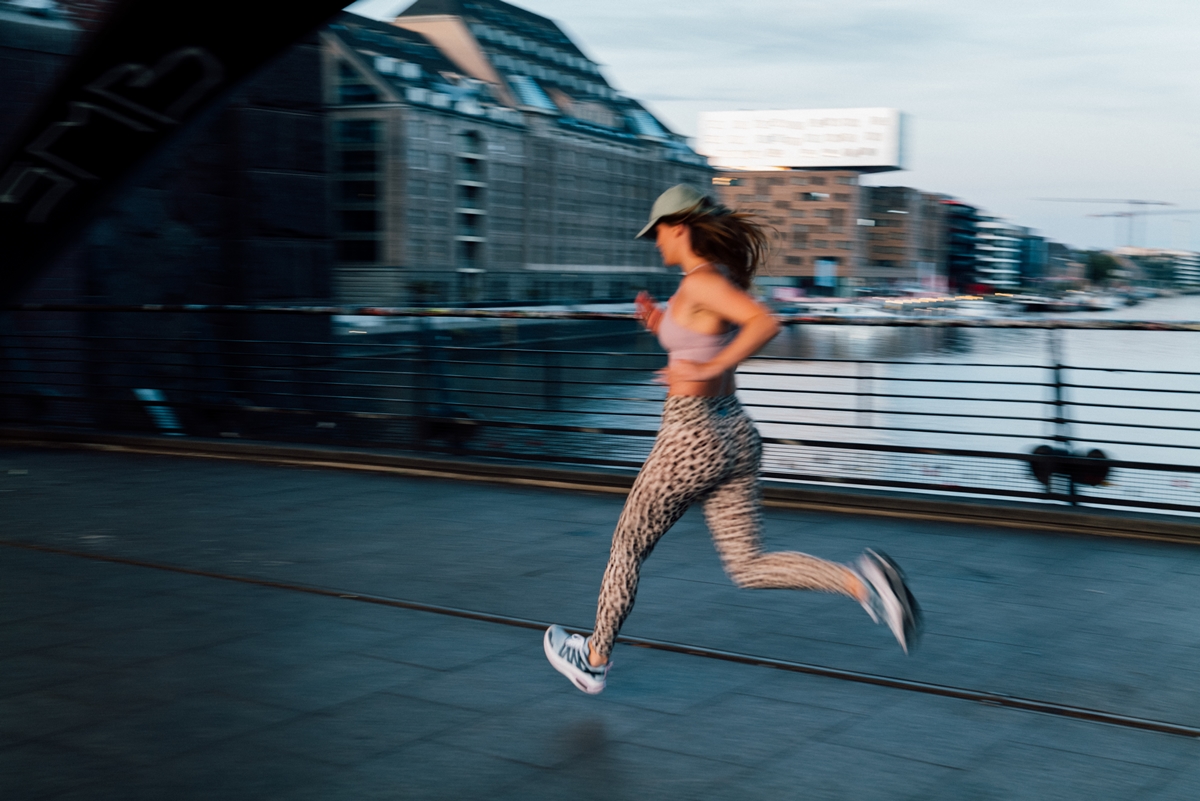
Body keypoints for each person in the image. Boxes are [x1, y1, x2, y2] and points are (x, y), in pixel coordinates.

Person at [544, 185, 921, 695]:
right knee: (748, 565)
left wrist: (713, 366)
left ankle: (593, 658)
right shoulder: (702, 284)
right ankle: (865, 585)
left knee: (627, 547)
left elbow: (764, 322)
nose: (655, 243)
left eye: (657, 233)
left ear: (678, 227)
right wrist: (660, 322)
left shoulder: (703, 283)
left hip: (690, 436)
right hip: (734, 434)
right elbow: (701, 335)